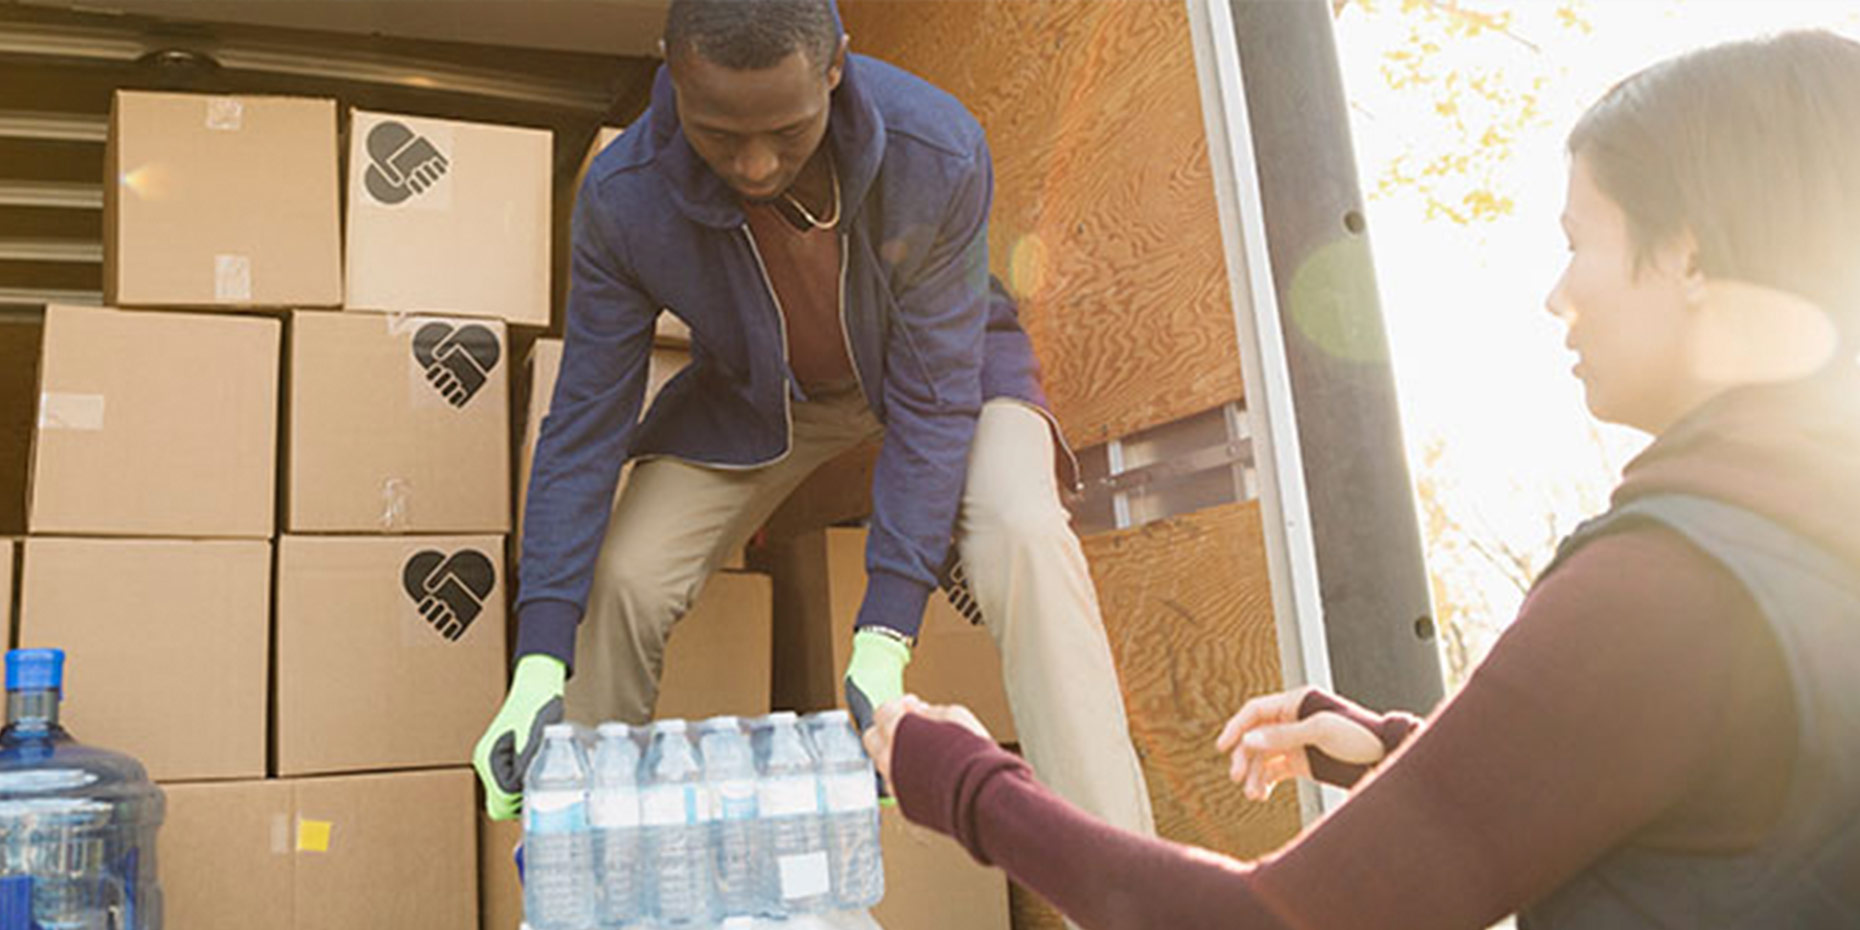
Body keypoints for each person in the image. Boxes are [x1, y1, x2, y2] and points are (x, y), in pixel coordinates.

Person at [862, 30, 1860, 930]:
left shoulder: (1666, 586)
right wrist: (1401, 754)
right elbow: (1722, 811)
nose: (1559, 297)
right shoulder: (1801, 541)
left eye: (1577, 243)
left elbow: (1259, 924)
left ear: (1686, 255)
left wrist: (964, 783)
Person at [470, 0, 1156, 851]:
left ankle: (1120, 873)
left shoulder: (935, 149)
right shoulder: (625, 200)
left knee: (1021, 530)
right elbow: (583, 422)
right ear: (671, 74)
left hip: (947, 377)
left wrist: (885, 632)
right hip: (765, 401)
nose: (755, 164)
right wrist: (538, 660)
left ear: (835, 66)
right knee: (624, 580)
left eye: (788, 133)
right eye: (720, 134)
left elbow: (934, 402)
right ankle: (593, 865)